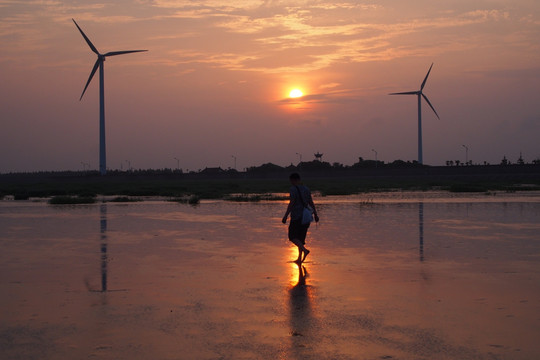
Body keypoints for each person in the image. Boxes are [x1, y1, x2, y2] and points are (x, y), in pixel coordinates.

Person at [282, 173, 319, 263]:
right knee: (301, 238)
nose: (291, 182)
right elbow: (311, 202)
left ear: (294, 180)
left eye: (291, 180)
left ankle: (305, 250)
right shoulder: (306, 189)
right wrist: (315, 214)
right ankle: (299, 258)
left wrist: (285, 216)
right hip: (306, 216)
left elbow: (292, 203)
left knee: (292, 236)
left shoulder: (293, 189)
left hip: (297, 216)